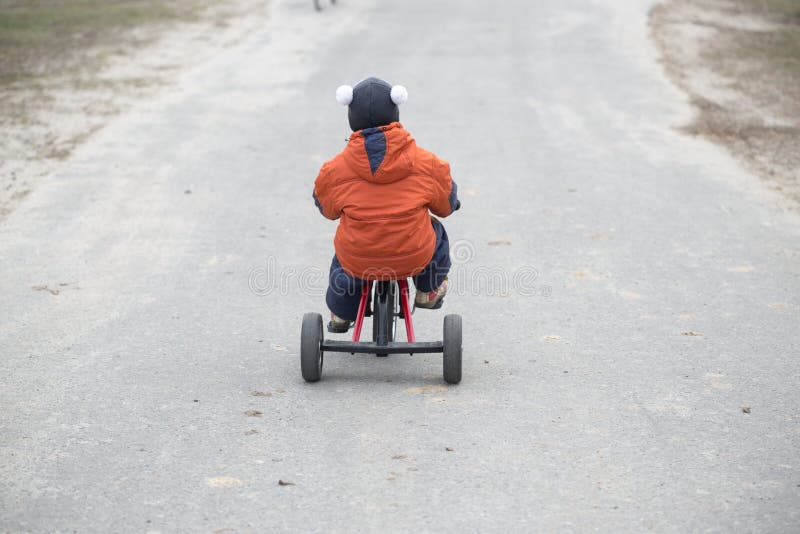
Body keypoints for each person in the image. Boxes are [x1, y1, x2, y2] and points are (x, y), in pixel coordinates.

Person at [312, 77, 461, 332]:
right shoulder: (427, 163)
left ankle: (341, 313)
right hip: (413, 256)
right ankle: (427, 290)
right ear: (395, 113)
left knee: (346, 253)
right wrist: (452, 201)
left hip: (359, 258)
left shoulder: (334, 169)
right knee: (435, 230)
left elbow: (327, 209)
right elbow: (445, 207)